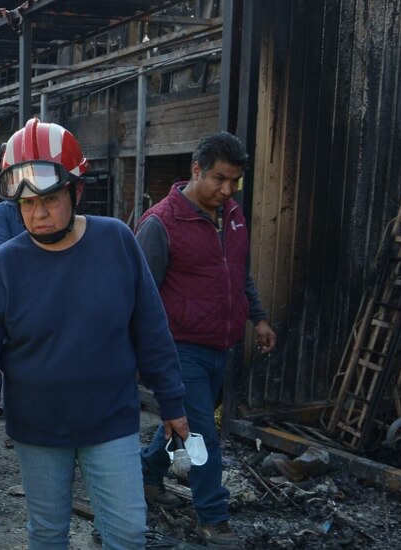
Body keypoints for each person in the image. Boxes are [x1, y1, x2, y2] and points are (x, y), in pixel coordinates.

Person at [0, 119, 188, 549]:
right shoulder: (4, 267)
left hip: (112, 421)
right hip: (39, 429)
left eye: (49, 200)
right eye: (26, 205)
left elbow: (151, 329)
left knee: (127, 532)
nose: (38, 214)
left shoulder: (116, 242)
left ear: (76, 192)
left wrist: (173, 402)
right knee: (47, 534)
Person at [136, 131, 277, 549]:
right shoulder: (161, 223)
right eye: (218, 178)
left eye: (234, 181)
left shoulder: (232, 215)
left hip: (221, 346)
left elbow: (237, 273)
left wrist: (259, 316)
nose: (227, 189)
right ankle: (212, 519)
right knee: (202, 435)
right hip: (179, 351)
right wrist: (144, 358)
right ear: (196, 170)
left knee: (180, 425)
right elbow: (138, 295)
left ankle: (146, 476)